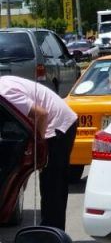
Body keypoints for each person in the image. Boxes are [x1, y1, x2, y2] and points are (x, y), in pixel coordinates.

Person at [0, 76, 78, 229]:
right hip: (54, 122)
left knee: (52, 185)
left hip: (58, 126)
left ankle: (51, 232)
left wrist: (39, 149)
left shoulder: (5, 94)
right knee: (51, 185)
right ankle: (51, 230)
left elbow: (41, 114)